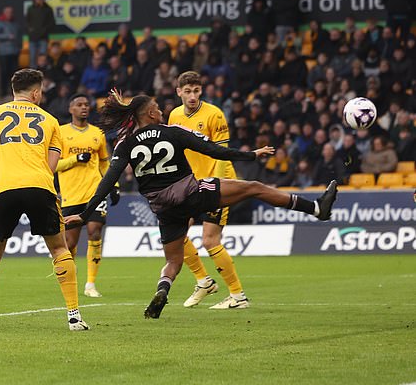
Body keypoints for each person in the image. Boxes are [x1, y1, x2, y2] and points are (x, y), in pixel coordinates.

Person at [64, 91, 337, 319]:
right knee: (254, 187)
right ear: (149, 114)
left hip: (163, 208)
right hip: (192, 193)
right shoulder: (172, 131)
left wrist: (84, 214)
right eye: (157, 108)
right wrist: (251, 155)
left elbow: (106, 182)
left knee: (173, 260)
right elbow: (215, 150)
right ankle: (315, 209)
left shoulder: (125, 143)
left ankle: (162, 290)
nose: (161, 111)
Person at [0, 68, 89, 333]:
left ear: (14, 90)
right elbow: (51, 166)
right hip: (40, 187)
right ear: (36, 92)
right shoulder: (50, 122)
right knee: (60, 250)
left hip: (3, 188)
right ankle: (74, 316)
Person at [169, 71, 249, 309]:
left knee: (210, 240)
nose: (192, 96)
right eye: (187, 91)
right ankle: (204, 281)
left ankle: (237, 295)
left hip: (218, 183)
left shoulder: (214, 114)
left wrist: (215, 184)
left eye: (196, 91)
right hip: (190, 185)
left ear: (201, 91)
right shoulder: (174, 115)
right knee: (176, 235)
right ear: (179, 92)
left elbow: (223, 155)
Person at [56, 94, 118, 298]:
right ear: (70, 109)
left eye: (86, 105)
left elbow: (104, 162)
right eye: (79, 105)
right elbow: (53, 165)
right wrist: (75, 159)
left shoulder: (97, 133)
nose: (84, 108)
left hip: (94, 193)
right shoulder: (61, 133)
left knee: (94, 232)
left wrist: (113, 185)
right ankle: (70, 282)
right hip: (71, 195)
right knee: (70, 243)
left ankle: (90, 284)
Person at [0, 6, 21, 97]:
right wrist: (7, 36)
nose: (10, 14)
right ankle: (3, 91)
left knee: (14, 72)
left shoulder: (15, 23)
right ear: (4, 13)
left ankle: (14, 91)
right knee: (4, 72)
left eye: (11, 12)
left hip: (14, 51)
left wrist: (19, 46)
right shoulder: (0, 23)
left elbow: (19, 36)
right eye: (8, 12)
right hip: (4, 52)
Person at [25, 0, 55, 68]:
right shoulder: (30, 9)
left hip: (43, 38)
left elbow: (52, 23)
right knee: (32, 58)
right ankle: (33, 77)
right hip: (33, 38)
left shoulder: (48, 9)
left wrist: (44, 31)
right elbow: (27, 22)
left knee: (43, 58)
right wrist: (30, 31)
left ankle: (42, 75)